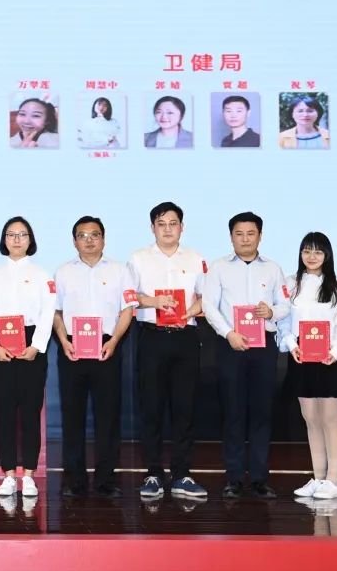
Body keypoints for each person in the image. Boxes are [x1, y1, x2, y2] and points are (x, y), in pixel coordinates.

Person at [201, 212, 289, 499]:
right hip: (231, 346)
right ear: (231, 237)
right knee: (234, 412)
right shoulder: (218, 268)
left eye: (251, 233)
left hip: (264, 346)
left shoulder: (273, 269)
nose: (245, 239)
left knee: (262, 412)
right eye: (239, 234)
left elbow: (286, 305)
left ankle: (260, 478)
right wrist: (229, 333)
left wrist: (272, 312)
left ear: (260, 236)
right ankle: (234, 478)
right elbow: (209, 306)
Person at [52, 216, 137, 498]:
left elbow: (128, 310)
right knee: (72, 416)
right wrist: (63, 340)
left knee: (108, 417)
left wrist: (114, 341)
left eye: (95, 235)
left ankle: (106, 480)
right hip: (72, 348)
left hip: (106, 346)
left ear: (104, 239)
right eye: (82, 235)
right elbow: (56, 311)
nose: (89, 240)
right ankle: (74, 480)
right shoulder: (63, 272)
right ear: (74, 241)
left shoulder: (120, 270)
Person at [127, 201, 207, 499]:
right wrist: (153, 302)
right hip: (152, 337)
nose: (168, 229)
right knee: (152, 408)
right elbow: (129, 295)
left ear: (182, 227)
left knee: (184, 408)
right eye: (161, 224)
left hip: (186, 337)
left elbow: (206, 296)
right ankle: (153, 474)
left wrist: (191, 311)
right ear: (153, 228)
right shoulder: (138, 258)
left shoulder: (196, 259)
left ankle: (182, 474)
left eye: (173, 223)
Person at [277, 231, 337, 500]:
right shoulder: (291, 284)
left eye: (318, 251)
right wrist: (291, 343)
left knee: (330, 420)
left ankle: (333, 481)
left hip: (329, 359)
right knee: (311, 420)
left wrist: (335, 351)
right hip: (301, 357)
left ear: (327, 255)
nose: (312, 256)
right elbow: (284, 321)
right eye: (307, 251)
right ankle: (319, 477)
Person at [0, 217, 54, 497]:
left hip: (32, 346)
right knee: (6, 413)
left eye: (22, 234)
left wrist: (37, 345)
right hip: (2, 347)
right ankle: (9, 475)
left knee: (31, 414)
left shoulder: (42, 275)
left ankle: (29, 475)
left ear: (30, 240)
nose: (16, 239)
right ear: (4, 240)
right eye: (11, 234)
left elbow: (47, 313)